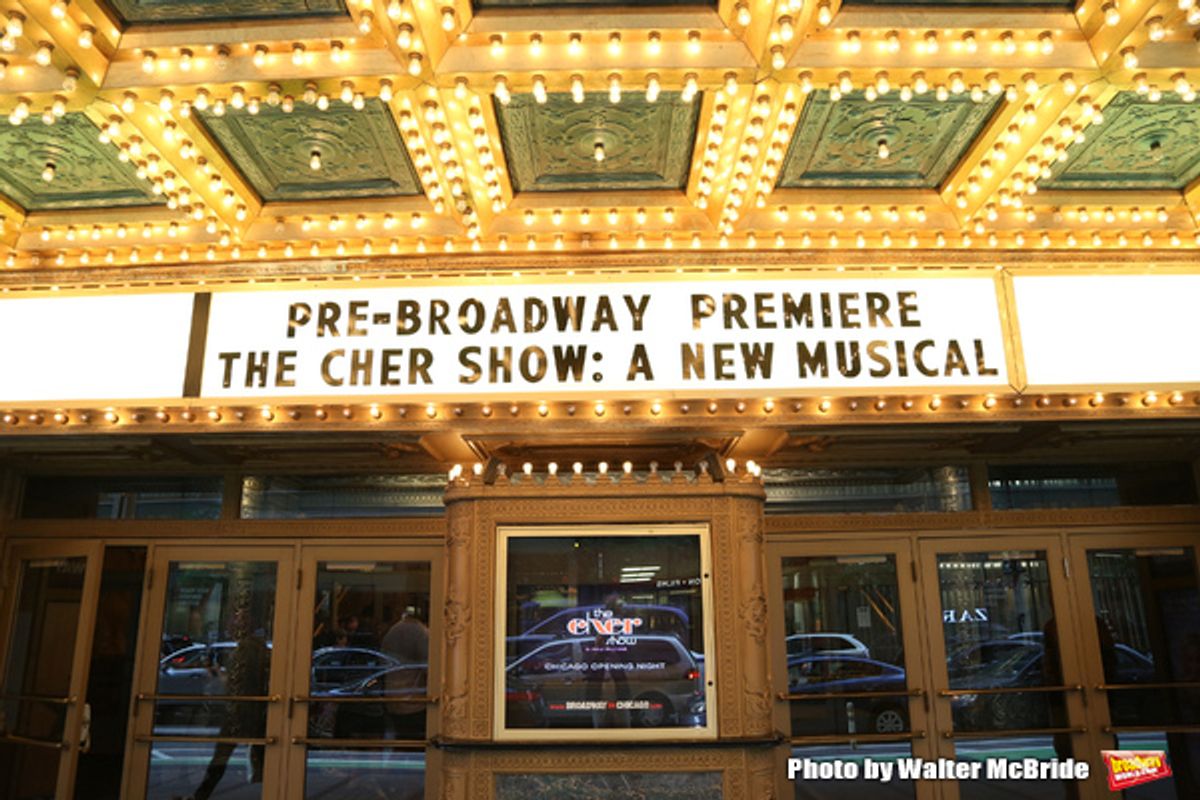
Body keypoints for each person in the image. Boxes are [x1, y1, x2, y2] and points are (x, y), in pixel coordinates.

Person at [176, 607, 270, 800]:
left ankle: (200, 795)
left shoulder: (247, 649)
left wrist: (219, 675)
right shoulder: (255, 648)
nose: (230, 626)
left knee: (222, 756)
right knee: (247, 755)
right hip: (249, 710)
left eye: (234, 622)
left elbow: (241, 682)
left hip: (241, 711)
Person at [380, 607, 429, 738]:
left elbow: (382, 663)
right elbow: (428, 668)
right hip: (414, 700)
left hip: (391, 696)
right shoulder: (421, 633)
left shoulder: (392, 631)